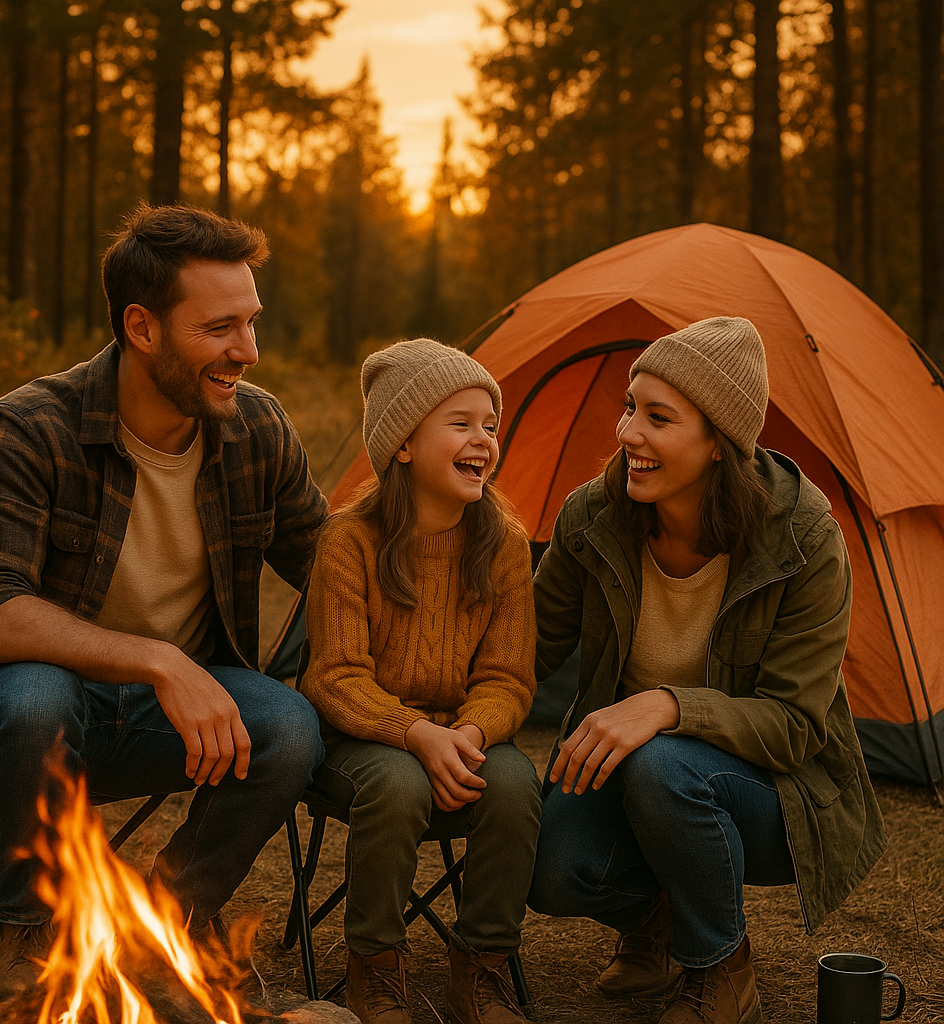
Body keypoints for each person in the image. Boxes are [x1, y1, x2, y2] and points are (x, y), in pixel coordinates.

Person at [0, 203, 328, 1002]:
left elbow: (333, 567)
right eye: (220, 329)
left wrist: (441, 505)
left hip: (177, 722)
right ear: (143, 328)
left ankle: (169, 919)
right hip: (35, 718)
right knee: (34, 695)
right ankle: (31, 927)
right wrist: (160, 660)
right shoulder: (30, 426)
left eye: (250, 323)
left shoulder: (257, 429)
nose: (247, 350)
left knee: (287, 724)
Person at [526, 318, 887, 1024]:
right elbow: (525, 652)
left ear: (719, 444)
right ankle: (658, 921)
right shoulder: (593, 517)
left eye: (659, 418)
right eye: (632, 407)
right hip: (632, 773)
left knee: (666, 766)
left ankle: (720, 964)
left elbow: (793, 726)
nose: (629, 433)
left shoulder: (803, 537)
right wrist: (428, 717)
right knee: (549, 867)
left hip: (775, 794)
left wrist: (666, 705)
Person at [299, 339, 542, 1024]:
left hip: (459, 731)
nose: (483, 440)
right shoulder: (349, 542)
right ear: (402, 444)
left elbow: (508, 677)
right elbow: (336, 675)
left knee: (517, 783)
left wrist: (463, 733)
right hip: (361, 736)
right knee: (401, 783)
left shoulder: (504, 546)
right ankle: (374, 968)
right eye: (460, 423)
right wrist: (417, 736)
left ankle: (483, 965)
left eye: (491, 425)